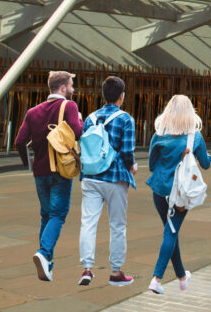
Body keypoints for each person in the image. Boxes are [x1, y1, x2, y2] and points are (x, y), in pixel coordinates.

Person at [14, 70, 83, 282]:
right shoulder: (69, 106)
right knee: (58, 214)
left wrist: (30, 165)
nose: (73, 89)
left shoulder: (32, 112)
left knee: (46, 214)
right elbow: (78, 132)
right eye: (71, 85)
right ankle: (43, 253)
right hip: (60, 171)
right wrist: (79, 120)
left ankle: (47, 265)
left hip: (40, 172)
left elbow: (19, 142)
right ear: (63, 88)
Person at [146, 95, 211, 295]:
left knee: (171, 232)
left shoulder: (159, 134)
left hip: (159, 191)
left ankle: (182, 277)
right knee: (171, 233)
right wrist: (205, 155)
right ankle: (156, 279)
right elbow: (206, 164)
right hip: (180, 195)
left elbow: (150, 165)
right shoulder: (195, 137)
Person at [77, 76, 137, 287]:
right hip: (114, 178)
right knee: (117, 226)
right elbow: (128, 152)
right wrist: (132, 167)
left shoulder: (90, 118)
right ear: (121, 96)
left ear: (103, 95)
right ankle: (116, 272)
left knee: (88, 223)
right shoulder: (125, 119)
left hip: (90, 177)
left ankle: (87, 269)